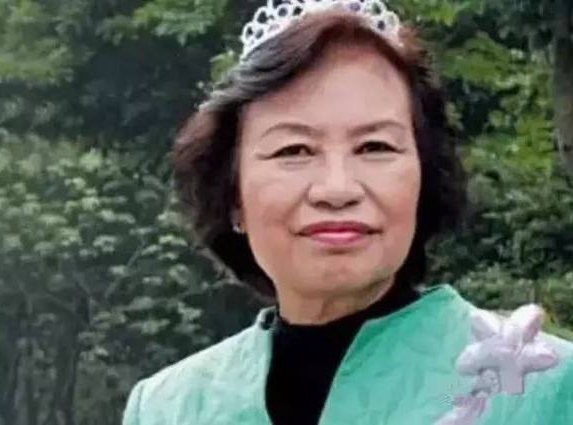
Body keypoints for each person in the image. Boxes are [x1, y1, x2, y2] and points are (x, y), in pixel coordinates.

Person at [122, 1, 573, 424]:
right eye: (293, 150)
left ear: (424, 178)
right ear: (233, 196)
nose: (337, 189)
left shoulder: (545, 387)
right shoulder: (168, 407)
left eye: (374, 147)